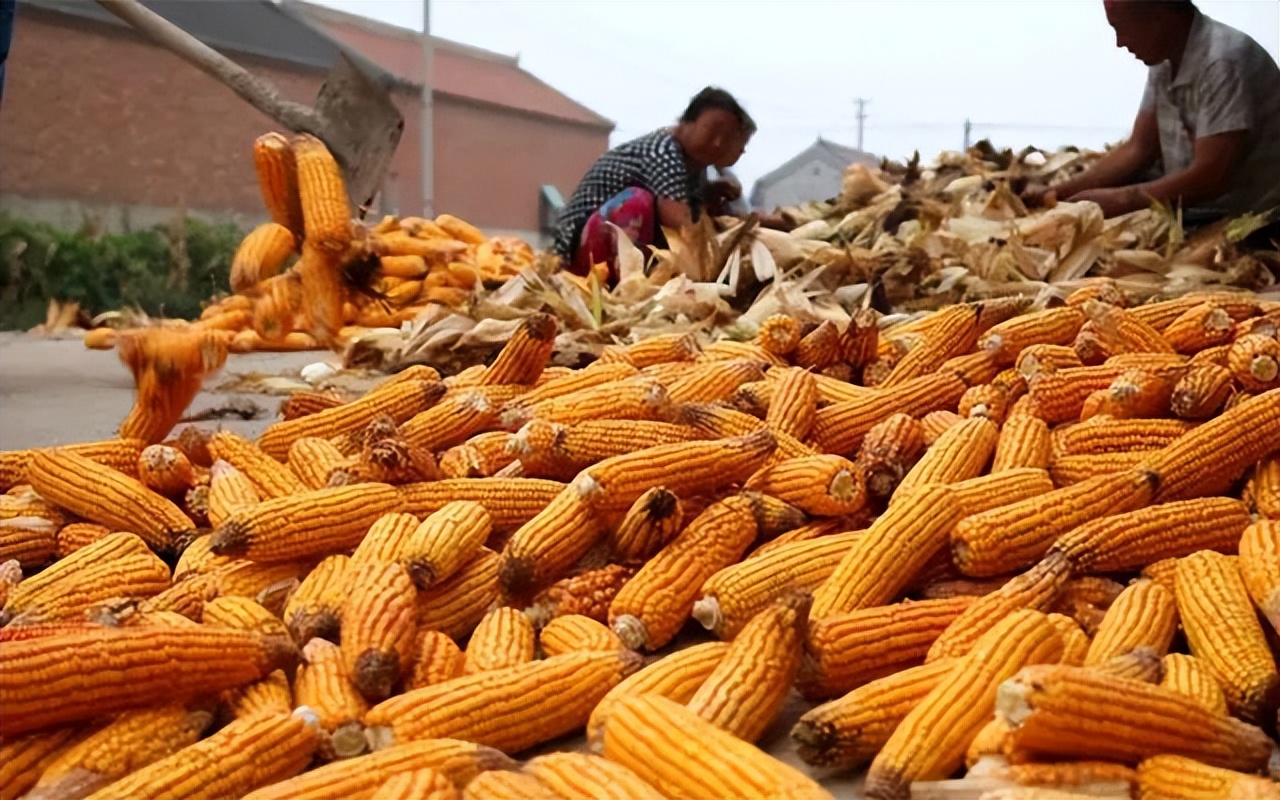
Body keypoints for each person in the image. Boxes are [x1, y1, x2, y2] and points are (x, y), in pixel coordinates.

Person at [1023, 0, 1280, 223]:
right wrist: (1058, 193)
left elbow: (1211, 177)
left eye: (1122, 29)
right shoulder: (1165, 58)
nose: (1120, 42)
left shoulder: (1222, 62)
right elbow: (1139, 149)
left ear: (1158, 19)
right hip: (1189, 210)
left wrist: (1126, 199)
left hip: (1243, 218)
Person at [552, 87, 782, 284]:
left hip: (598, 247)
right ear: (687, 122)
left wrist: (710, 198)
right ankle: (623, 286)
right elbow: (682, 225)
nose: (718, 143)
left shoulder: (695, 166)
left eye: (733, 142)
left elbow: (704, 213)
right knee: (638, 202)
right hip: (579, 255)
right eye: (711, 131)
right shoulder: (663, 151)